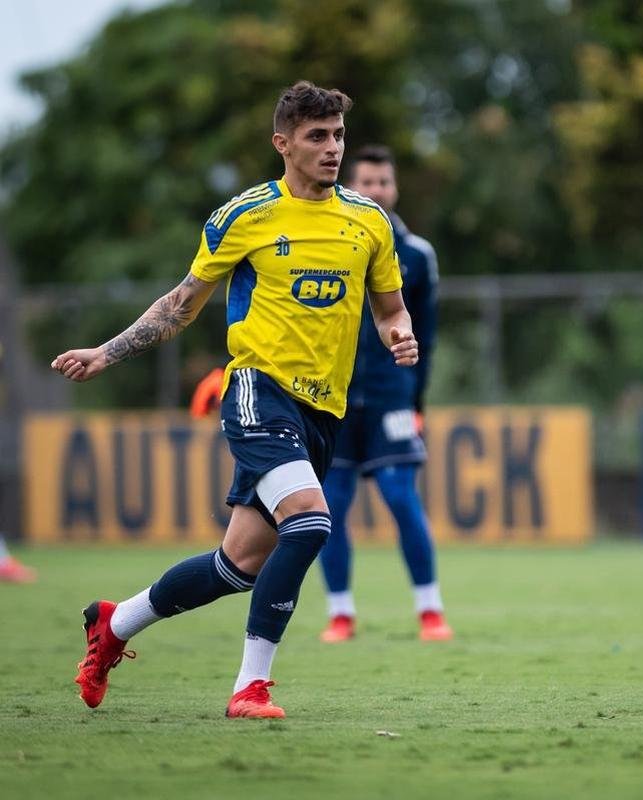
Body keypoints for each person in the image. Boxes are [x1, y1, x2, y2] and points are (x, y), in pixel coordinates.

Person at [51, 80, 419, 718]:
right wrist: (105, 353)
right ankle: (251, 687)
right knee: (310, 521)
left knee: (239, 564)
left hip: (321, 410)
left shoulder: (369, 221)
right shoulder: (245, 215)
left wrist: (400, 334)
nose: (332, 149)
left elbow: (390, 308)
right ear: (283, 144)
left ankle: (113, 624)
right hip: (256, 390)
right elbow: (180, 306)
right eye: (316, 137)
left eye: (337, 136)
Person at [316, 145, 451, 643]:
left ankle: (430, 610)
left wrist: (417, 403)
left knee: (400, 495)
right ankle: (341, 614)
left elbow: (427, 336)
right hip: (335, 398)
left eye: (384, 183)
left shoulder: (417, 254)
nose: (376, 191)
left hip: (393, 396)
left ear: (395, 189)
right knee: (329, 507)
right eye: (367, 183)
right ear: (351, 187)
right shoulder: (331, 245)